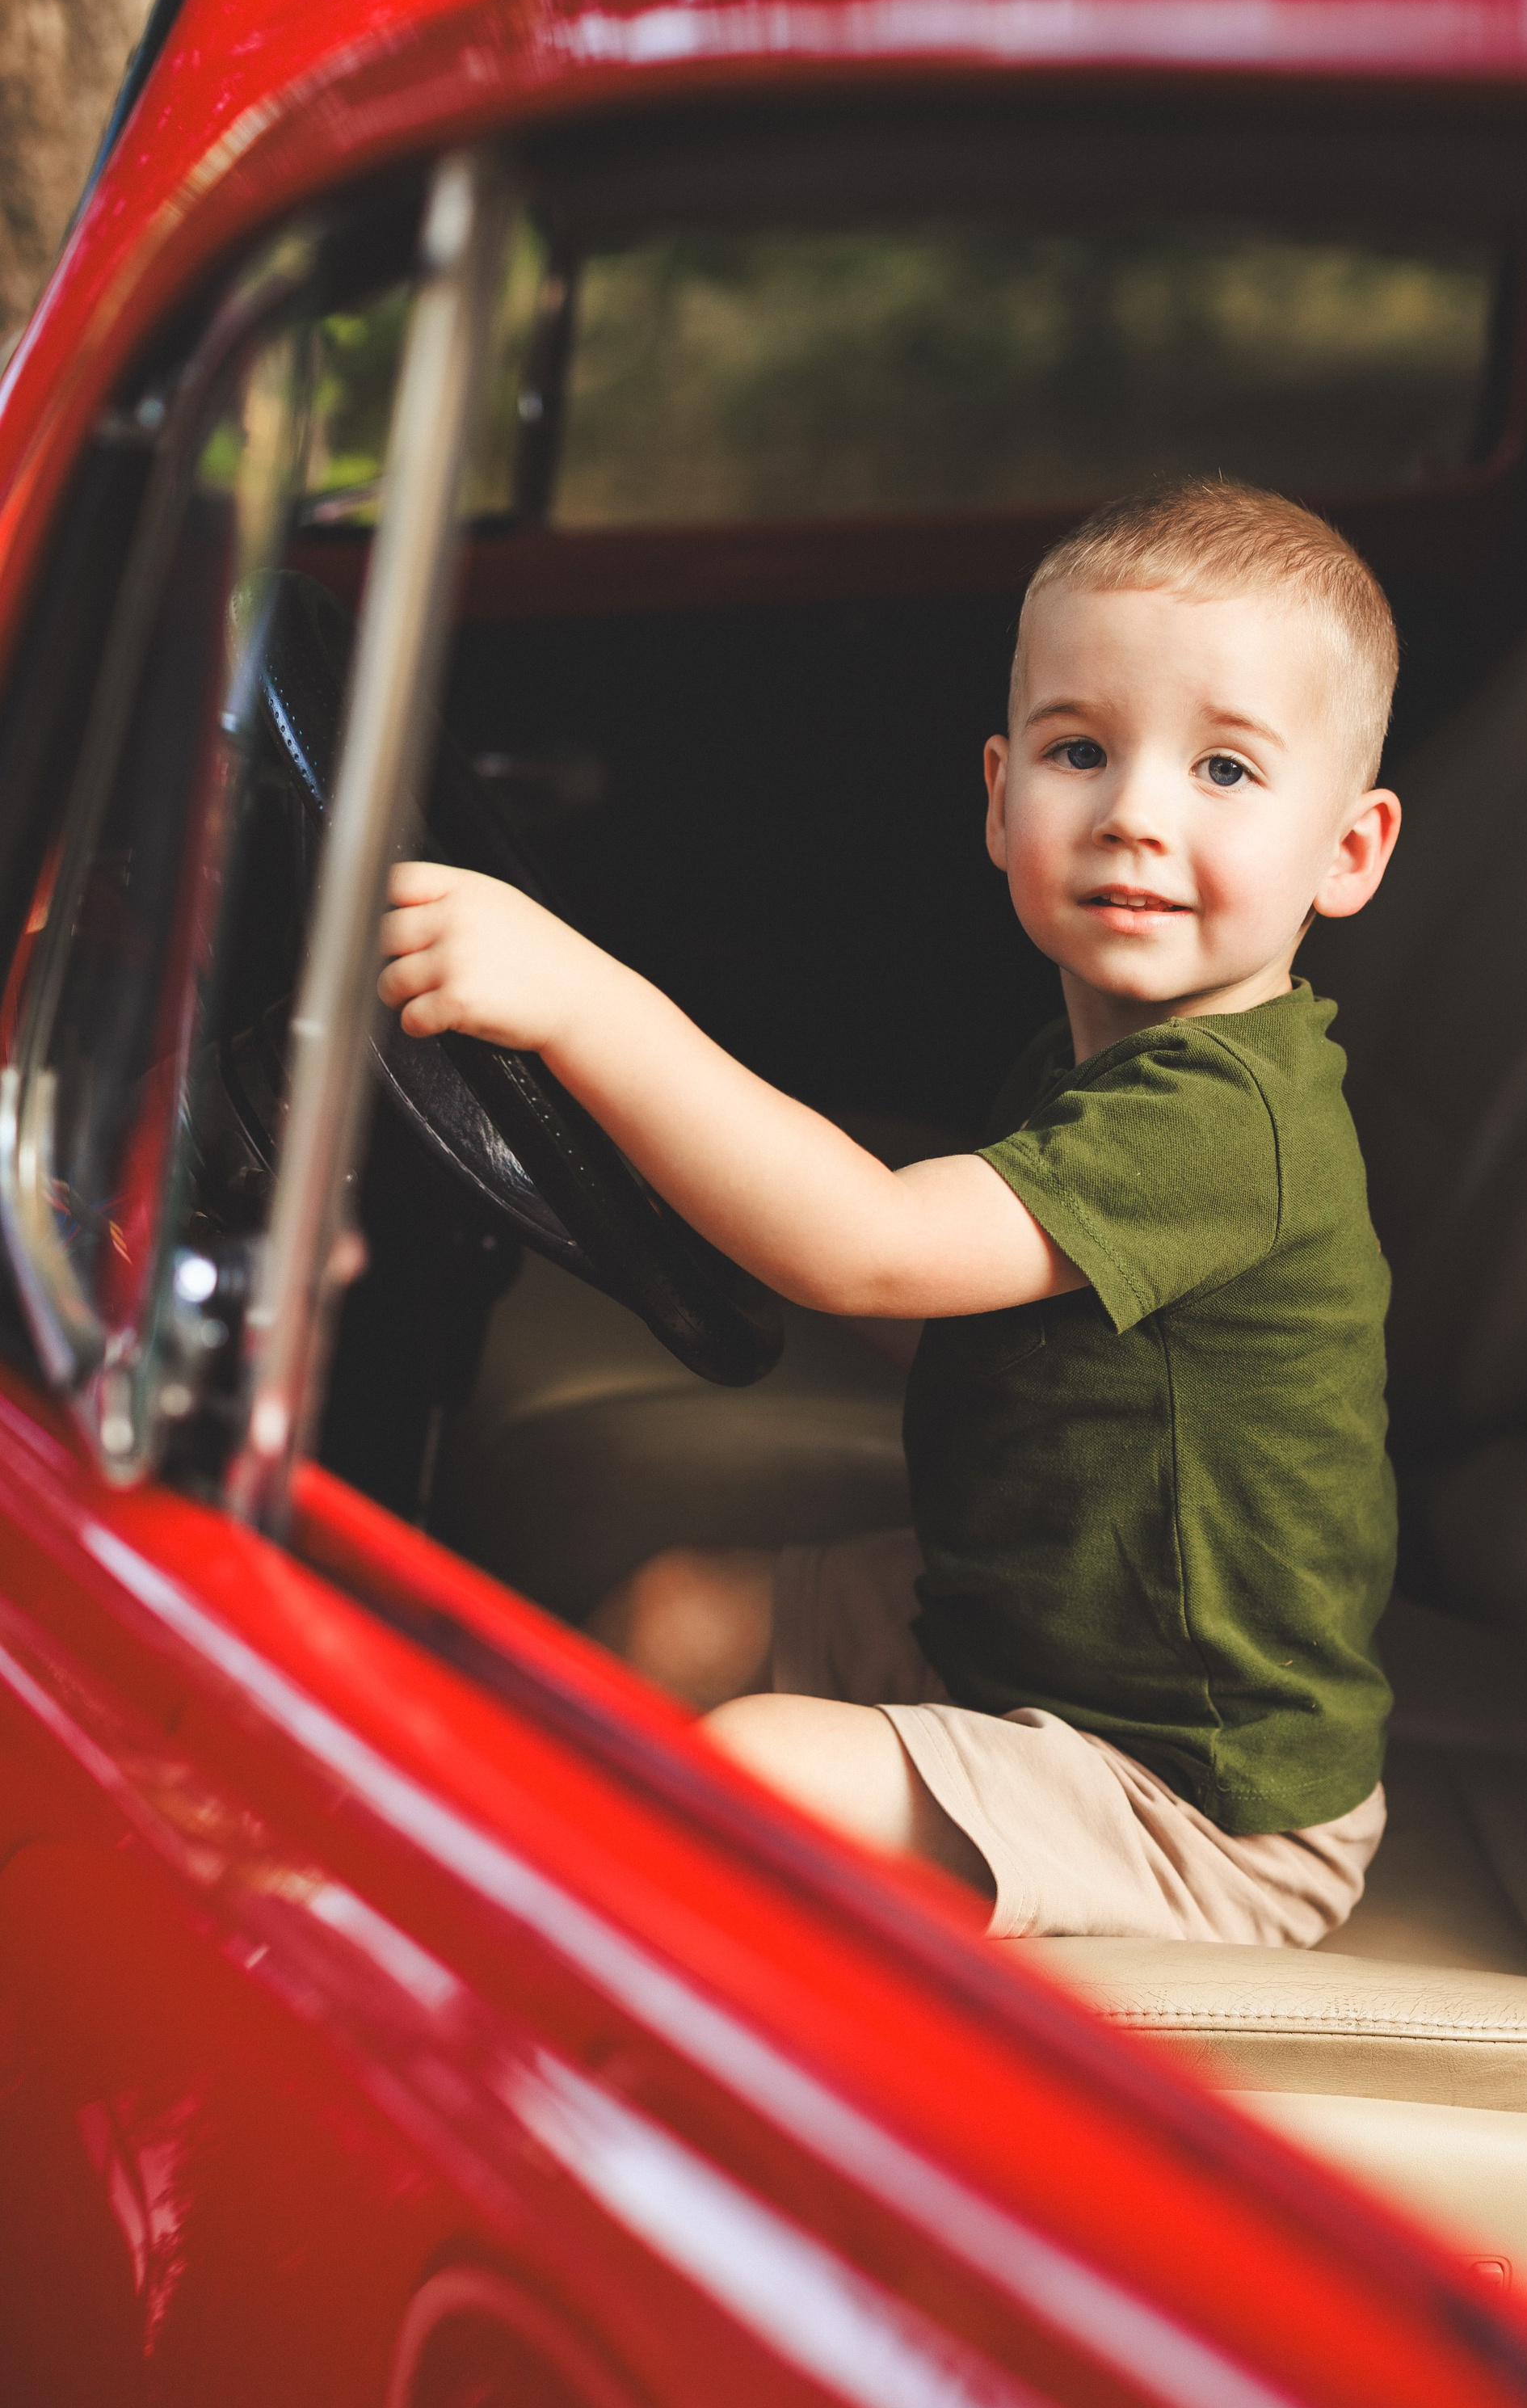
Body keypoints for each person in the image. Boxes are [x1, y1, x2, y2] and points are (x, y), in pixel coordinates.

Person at [376, 478, 1403, 1943]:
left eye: (1224, 772)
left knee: (762, 1769)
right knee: (680, 1613)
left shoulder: (1224, 1121)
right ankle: (430, 1883)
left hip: (1191, 1792)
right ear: (998, 797)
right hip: (1029, 1635)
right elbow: (985, 1333)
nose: (1132, 815)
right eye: (1079, 749)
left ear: (1349, 852)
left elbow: (869, 1247)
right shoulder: (1103, 1062)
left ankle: (534, 2001)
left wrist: (579, 997)